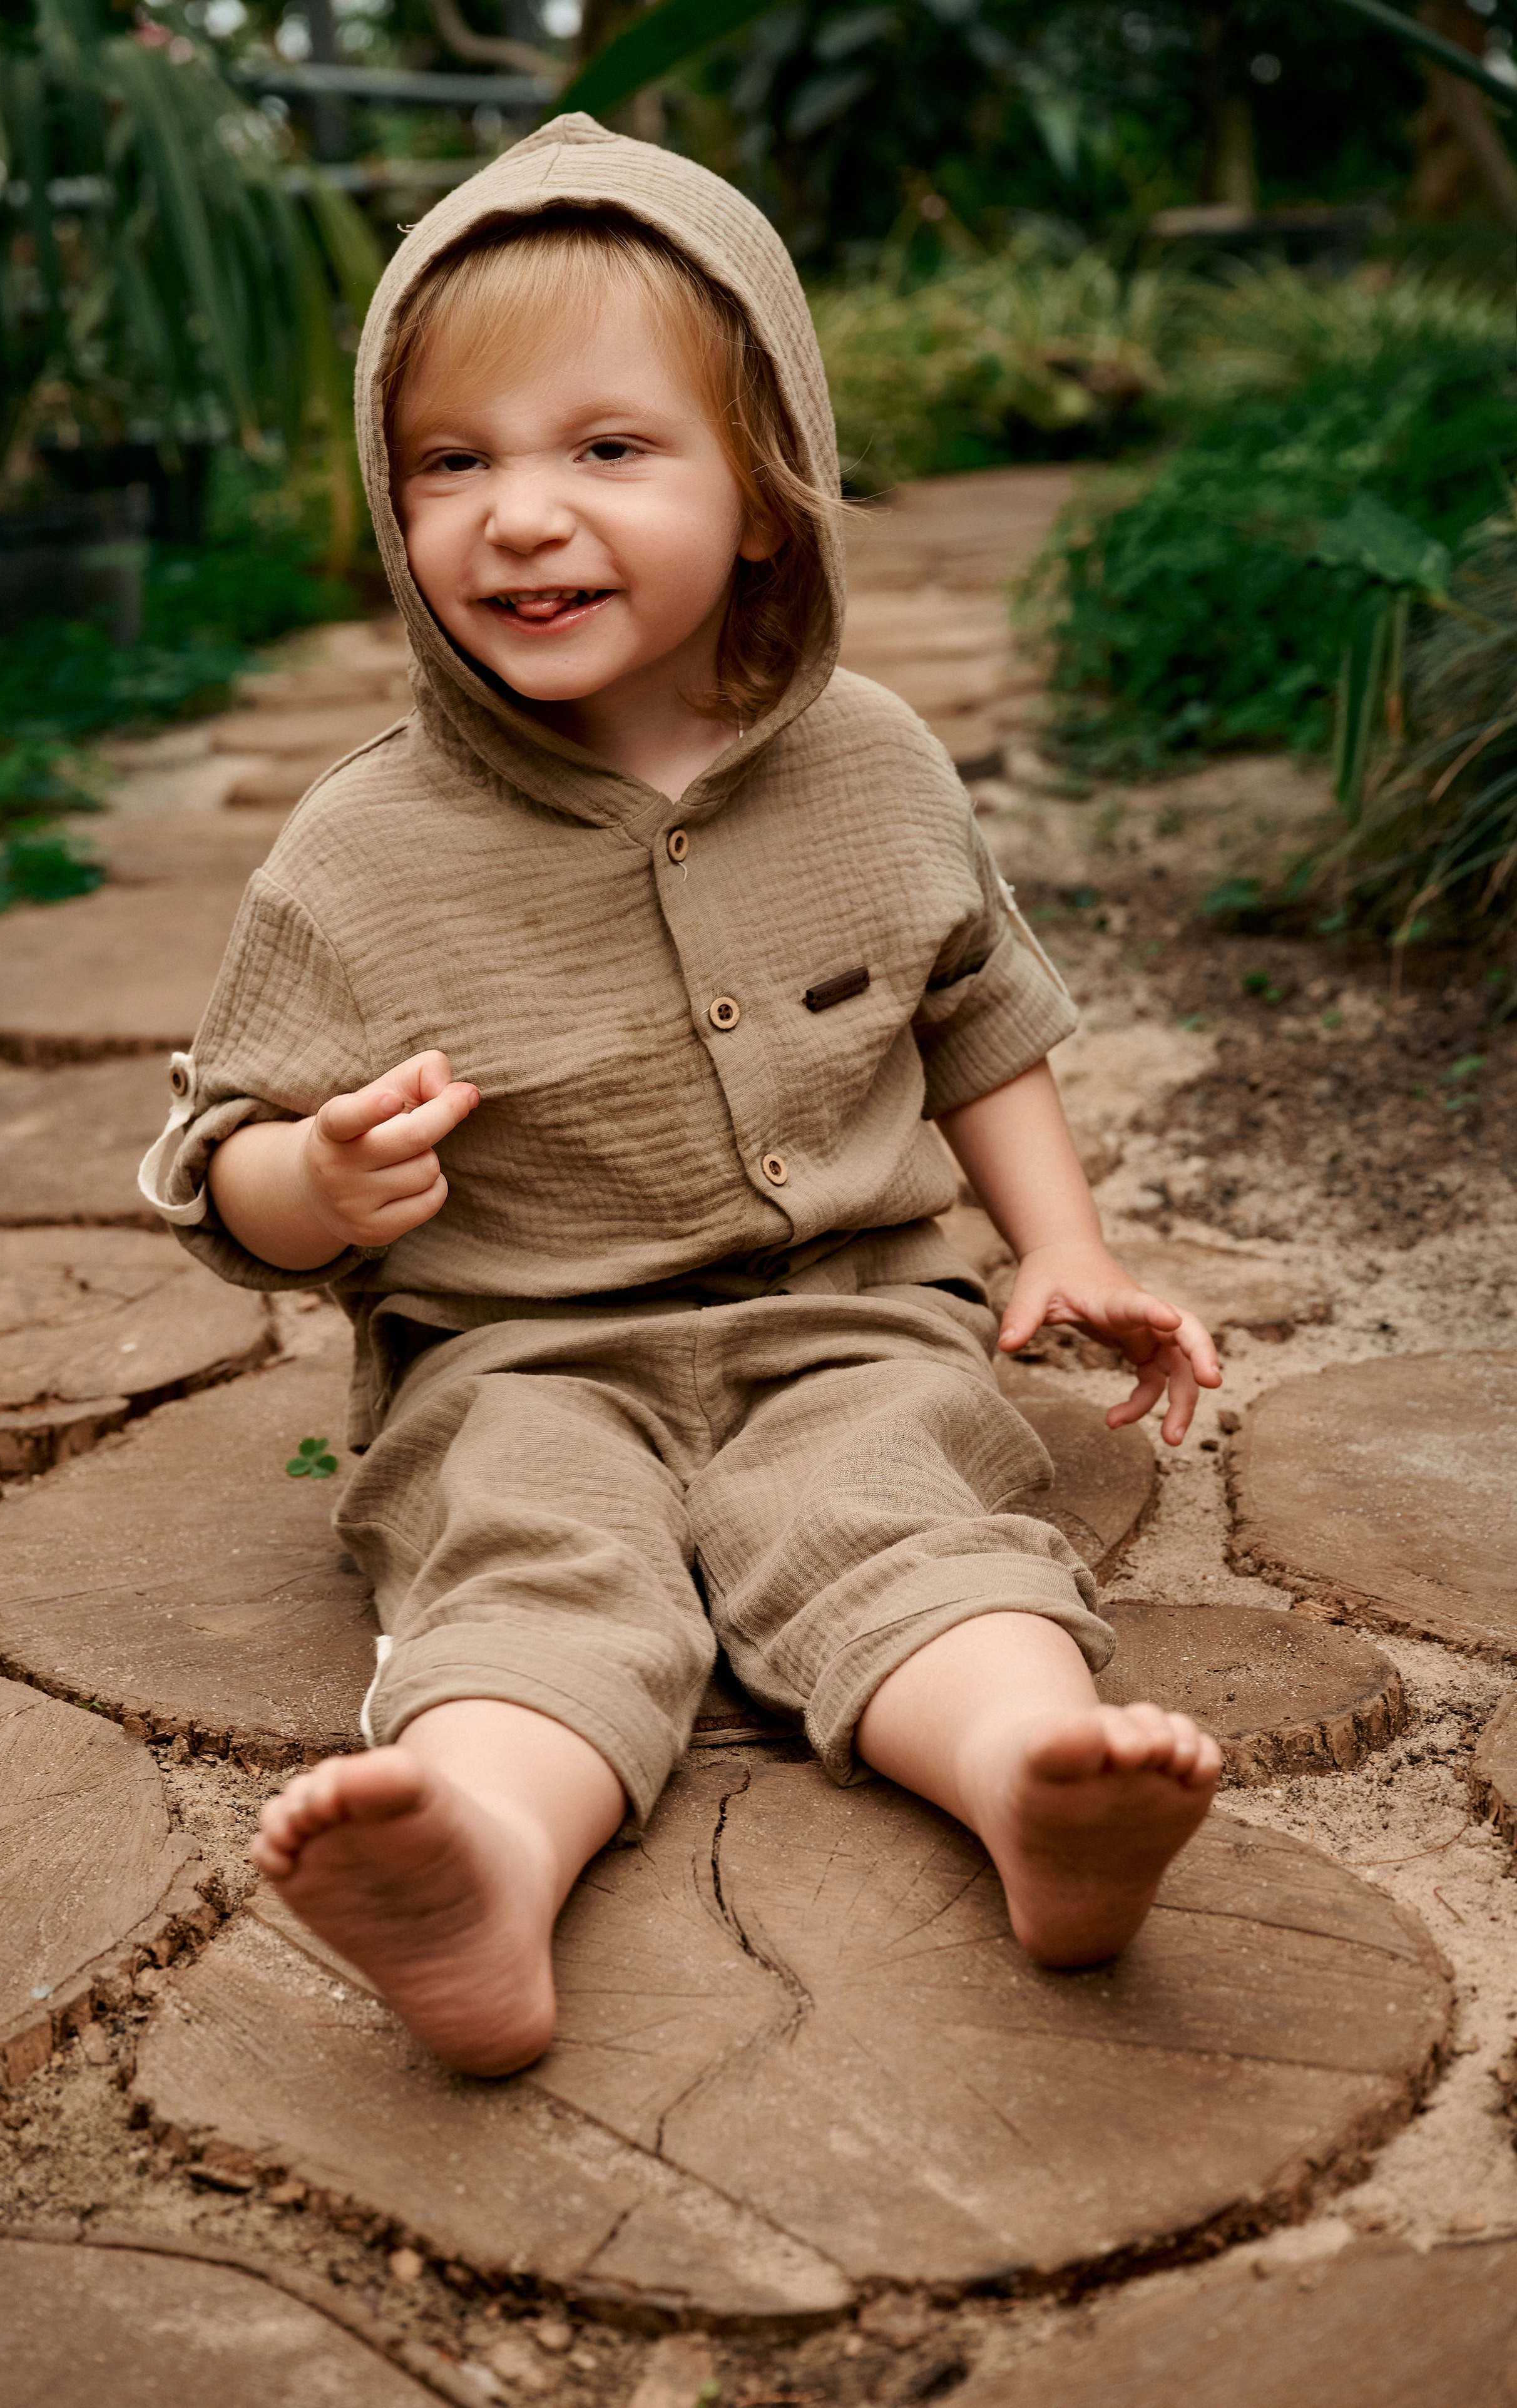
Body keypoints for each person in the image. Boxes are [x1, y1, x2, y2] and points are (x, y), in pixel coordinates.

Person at [139, 115, 1223, 2079]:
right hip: (518, 1354)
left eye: (606, 449)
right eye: (453, 463)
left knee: (897, 1511)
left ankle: (1040, 1788)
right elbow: (224, 1171)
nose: (520, 516)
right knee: (534, 1558)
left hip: (852, 1322)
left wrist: (1062, 1241)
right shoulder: (360, 853)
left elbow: (979, 1009)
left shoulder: (878, 763)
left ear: (764, 494)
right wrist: (315, 1177)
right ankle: (477, 1855)